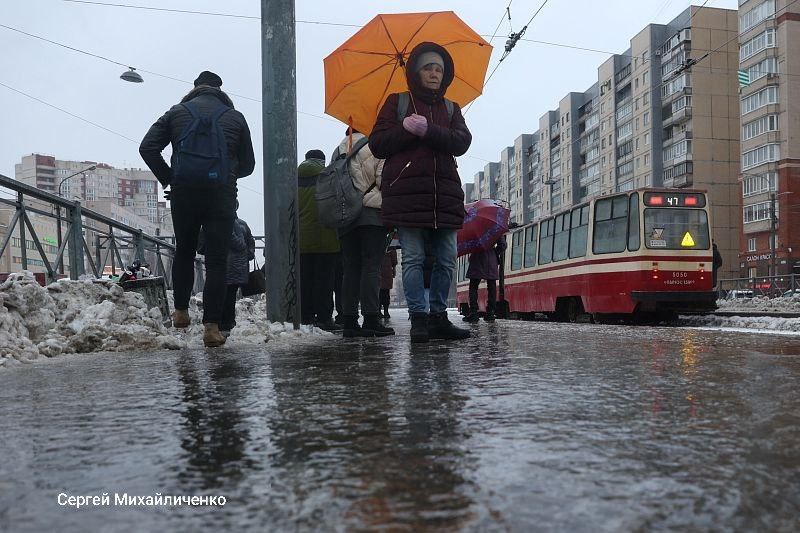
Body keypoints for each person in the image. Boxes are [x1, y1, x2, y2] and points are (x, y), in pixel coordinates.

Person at [139, 70, 255, 347]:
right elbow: (249, 165)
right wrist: (225, 175)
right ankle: (212, 328)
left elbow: (148, 148)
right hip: (221, 197)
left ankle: (180, 312)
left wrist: (171, 178)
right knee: (216, 261)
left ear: (195, 89)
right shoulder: (235, 117)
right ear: (220, 91)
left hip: (184, 194)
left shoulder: (177, 112)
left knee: (185, 251)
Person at [369, 42, 472, 343]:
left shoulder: (451, 108)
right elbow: (378, 143)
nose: (434, 73)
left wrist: (429, 130)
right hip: (408, 194)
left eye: (439, 69)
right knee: (413, 259)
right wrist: (405, 128)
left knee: (447, 259)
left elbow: (462, 142)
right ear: (416, 71)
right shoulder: (397, 102)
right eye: (428, 67)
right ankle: (419, 320)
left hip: (445, 195)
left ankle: (439, 317)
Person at [335, 129, 394, 337]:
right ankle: (371, 319)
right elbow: (383, 182)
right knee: (371, 267)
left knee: (350, 270)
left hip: (345, 217)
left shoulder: (338, 151)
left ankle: (349, 321)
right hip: (371, 216)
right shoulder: (377, 147)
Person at [298, 150, 341, 331]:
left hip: (301, 239)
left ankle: (305, 317)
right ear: (322, 161)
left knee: (304, 280)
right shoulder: (328, 176)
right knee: (324, 281)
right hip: (327, 238)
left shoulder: (291, 177)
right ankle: (324, 318)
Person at [463, 236, 507, 323]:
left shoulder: (473, 226)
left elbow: (468, 244)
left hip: (476, 258)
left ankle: (474, 313)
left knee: (473, 287)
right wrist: (494, 252)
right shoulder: (494, 226)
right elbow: (502, 245)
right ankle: (490, 313)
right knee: (492, 287)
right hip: (491, 260)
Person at [379, 248, 398, 319]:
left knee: (377, 292)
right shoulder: (390, 243)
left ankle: (378, 311)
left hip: (376, 269)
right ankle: (386, 312)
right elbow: (394, 260)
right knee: (386, 292)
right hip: (387, 270)